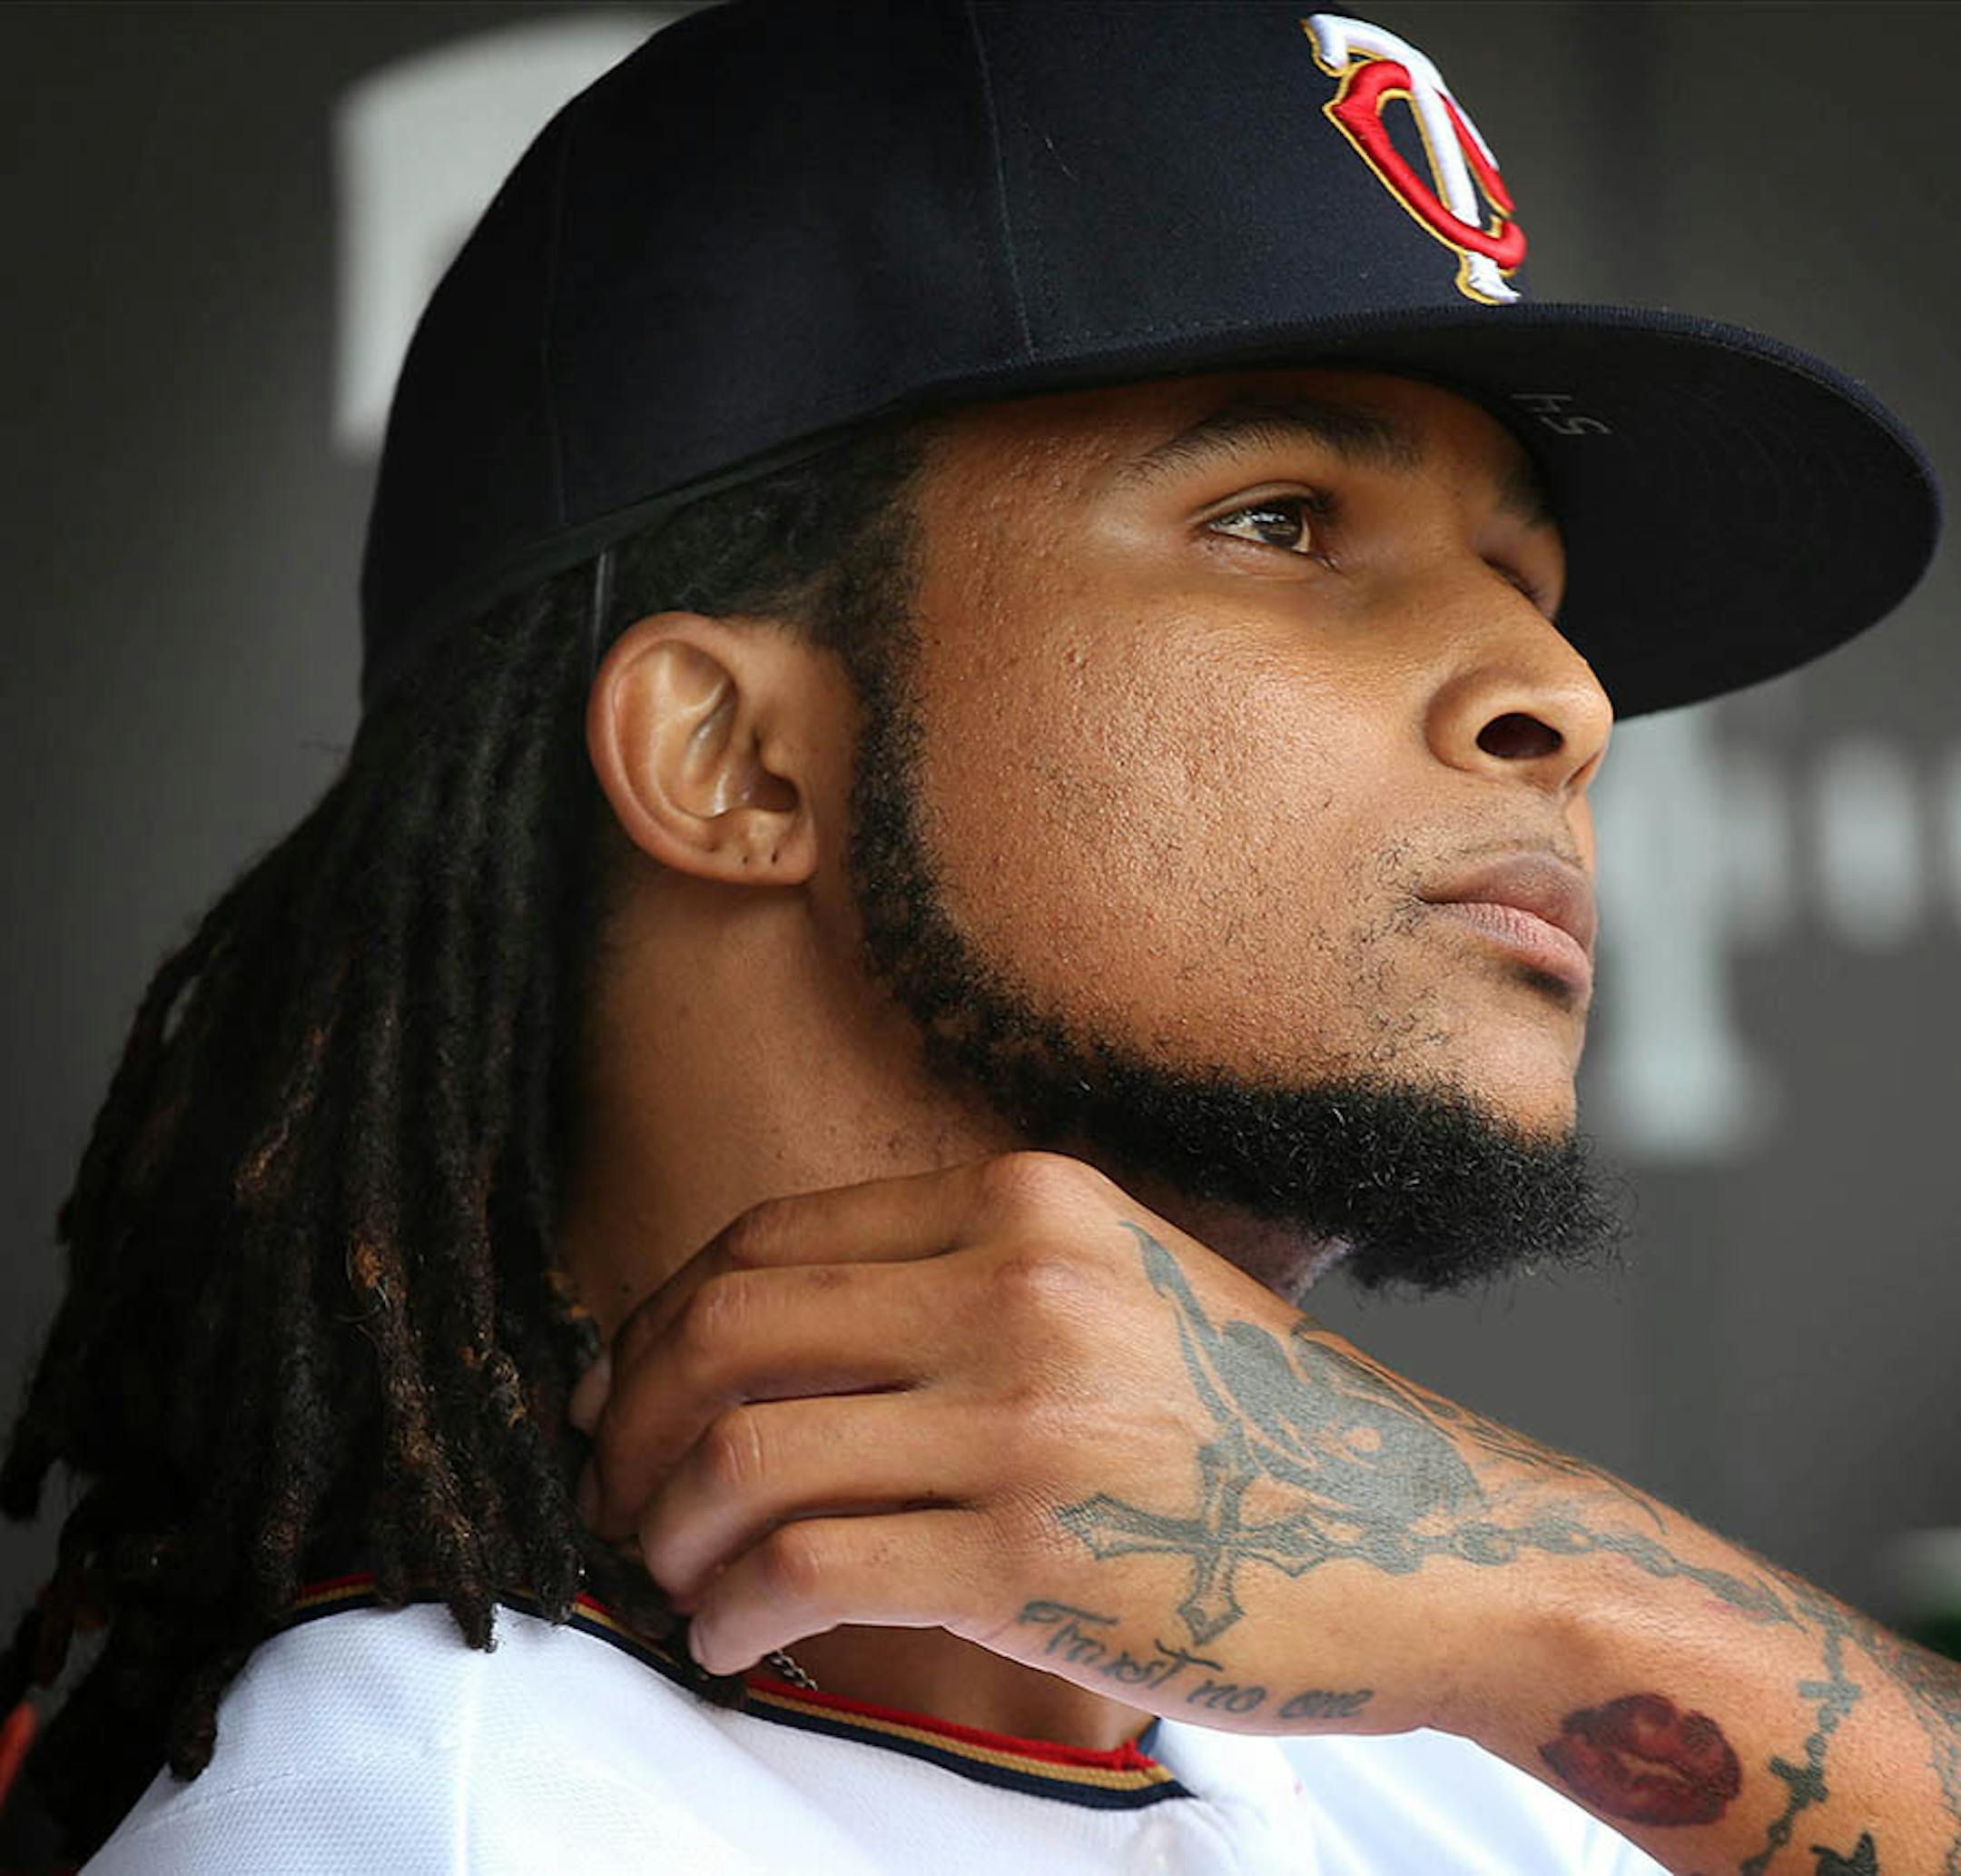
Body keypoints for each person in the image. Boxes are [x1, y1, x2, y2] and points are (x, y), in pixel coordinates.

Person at [0, 3, 1952, 1871]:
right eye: (1281, 519)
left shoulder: (1498, 1773)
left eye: (1532, 582)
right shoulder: (432, 1828)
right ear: (733, 757)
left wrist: (1547, 1590)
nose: (1563, 694)